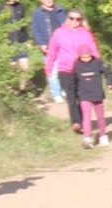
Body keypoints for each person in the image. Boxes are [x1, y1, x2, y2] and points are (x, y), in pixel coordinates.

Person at [44, 10, 103, 144]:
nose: (74, 21)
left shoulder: (85, 34)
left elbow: (94, 50)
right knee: (71, 96)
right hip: (65, 70)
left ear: (81, 20)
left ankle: (82, 121)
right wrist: (48, 67)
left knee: (82, 96)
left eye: (78, 19)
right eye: (72, 18)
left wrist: (99, 66)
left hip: (82, 69)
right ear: (67, 19)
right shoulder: (59, 33)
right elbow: (52, 51)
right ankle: (76, 122)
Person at [28, 0, 68, 103]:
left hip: (63, 44)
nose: (48, 0)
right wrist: (41, 43)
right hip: (48, 45)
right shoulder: (37, 13)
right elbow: (35, 29)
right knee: (53, 71)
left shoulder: (60, 10)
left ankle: (64, 90)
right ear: (41, 0)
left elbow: (66, 25)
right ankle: (56, 93)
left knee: (64, 69)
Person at [2, 0, 32, 82]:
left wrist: (27, 40)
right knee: (13, 67)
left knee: (25, 67)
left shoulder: (20, 7)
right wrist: (3, 41)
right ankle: (14, 86)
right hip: (9, 42)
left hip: (21, 40)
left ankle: (23, 87)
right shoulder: (1, 8)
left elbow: (24, 24)